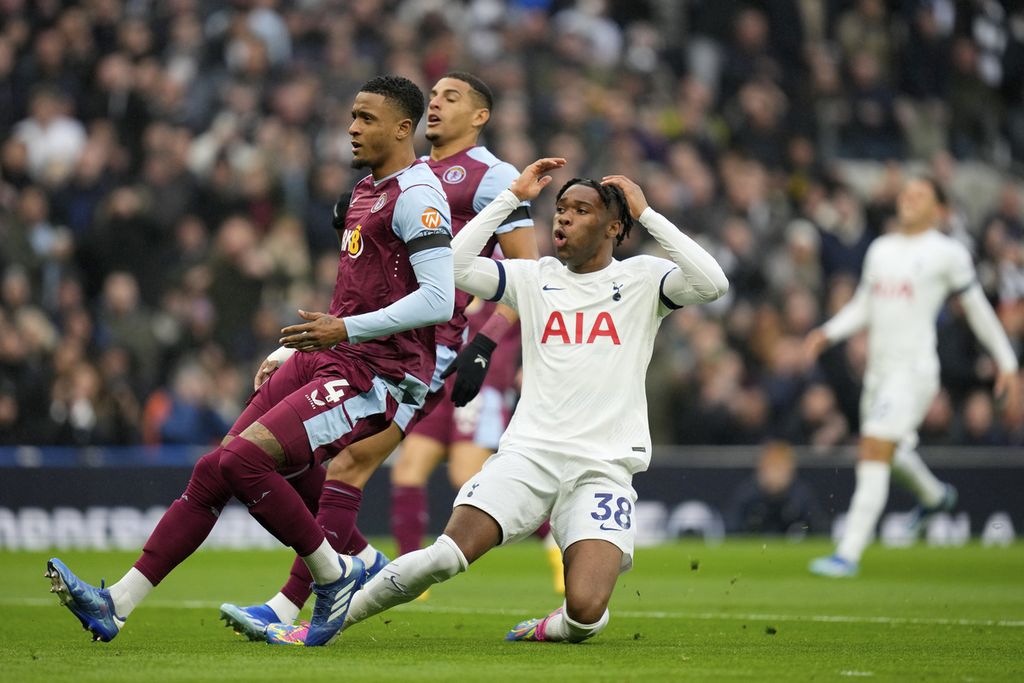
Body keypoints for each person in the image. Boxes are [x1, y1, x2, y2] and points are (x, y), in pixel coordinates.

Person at [45, 75, 456, 647]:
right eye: (352, 115)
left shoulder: (418, 195)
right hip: (332, 354)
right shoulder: (366, 190)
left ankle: (334, 575)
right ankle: (116, 602)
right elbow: (357, 291)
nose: (351, 126)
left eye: (365, 118)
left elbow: (440, 298)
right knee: (214, 469)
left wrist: (344, 330)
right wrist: (296, 345)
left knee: (243, 462)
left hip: (376, 373)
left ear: (403, 128)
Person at [264, 157, 729, 646]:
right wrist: (510, 199)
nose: (563, 218)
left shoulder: (643, 280)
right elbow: (453, 266)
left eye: (581, 211)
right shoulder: (534, 277)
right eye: (561, 209)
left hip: (603, 467)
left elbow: (713, 283)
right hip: (529, 457)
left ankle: (551, 628)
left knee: (587, 614)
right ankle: (322, 624)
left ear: (615, 226)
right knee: (445, 556)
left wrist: (648, 212)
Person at [217, 72, 546, 640]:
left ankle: (295, 603)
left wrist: (487, 343)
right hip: (373, 340)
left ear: (481, 116)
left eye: (452, 98)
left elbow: (528, 273)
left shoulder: (494, 177)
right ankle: (359, 566)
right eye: (433, 96)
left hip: (434, 347)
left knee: (351, 465)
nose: (437, 105)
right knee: (333, 463)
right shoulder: (399, 174)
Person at [804, 177, 1020, 578]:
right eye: (905, 194)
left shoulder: (947, 253)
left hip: (914, 373)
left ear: (938, 209)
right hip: (879, 375)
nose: (908, 199)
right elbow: (865, 305)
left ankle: (847, 553)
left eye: (919, 195)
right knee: (889, 451)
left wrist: (1006, 361)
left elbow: (976, 310)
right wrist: (829, 332)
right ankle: (936, 496)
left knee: (871, 448)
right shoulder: (881, 249)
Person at [726, 441, 824, 536]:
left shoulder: (801, 495)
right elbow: (732, 528)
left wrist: (800, 530)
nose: (775, 474)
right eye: (771, 467)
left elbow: (816, 527)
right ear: (760, 469)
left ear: (791, 470)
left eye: (779, 468)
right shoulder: (747, 493)